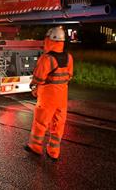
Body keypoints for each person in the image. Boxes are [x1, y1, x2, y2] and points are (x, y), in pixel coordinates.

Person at [25, 26, 73, 160]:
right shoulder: (69, 57)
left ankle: (35, 147)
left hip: (47, 97)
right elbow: (69, 76)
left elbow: (39, 78)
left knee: (41, 122)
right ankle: (54, 152)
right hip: (62, 98)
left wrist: (33, 86)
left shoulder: (47, 59)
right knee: (58, 125)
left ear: (49, 40)